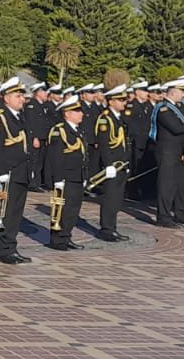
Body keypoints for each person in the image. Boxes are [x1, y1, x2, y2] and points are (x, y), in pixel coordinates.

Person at [0, 77, 33, 264]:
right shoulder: (0, 117)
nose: (22, 99)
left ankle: (10, 246)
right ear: (6, 98)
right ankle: (2, 250)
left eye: (22, 96)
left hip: (20, 172)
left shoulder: (18, 116)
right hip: (7, 174)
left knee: (15, 212)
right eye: (18, 96)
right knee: (3, 212)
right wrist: (2, 171)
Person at [151, 77, 184, 227]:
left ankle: (179, 213)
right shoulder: (164, 108)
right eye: (181, 91)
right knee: (166, 185)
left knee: (176, 184)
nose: (183, 94)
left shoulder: (177, 107)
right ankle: (163, 216)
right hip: (167, 152)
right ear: (173, 92)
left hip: (177, 151)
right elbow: (177, 128)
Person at [44, 95, 90, 250]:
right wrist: (57, 178)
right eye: (77, 111)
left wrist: (84, 176)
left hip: (77, 176)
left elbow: (82, 155)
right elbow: (55, 156)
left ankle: (66, 236)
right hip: (65, 177)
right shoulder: (59, 131)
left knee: (73, 210)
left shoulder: (77, 130)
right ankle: (57, 239)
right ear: (67, 113)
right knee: (61, 209)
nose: (81, 114)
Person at [89, 84, 134, 242]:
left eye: (124, 99)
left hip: (120, 164)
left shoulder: (119, 118)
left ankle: (112, 227)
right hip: (112, 165)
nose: (124, 102)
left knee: (117, 199)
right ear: (111, 101)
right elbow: (104, 144)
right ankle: (106, 229)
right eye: (120, 100)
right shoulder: (105, 119)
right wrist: (108, 165)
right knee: (110, 198)